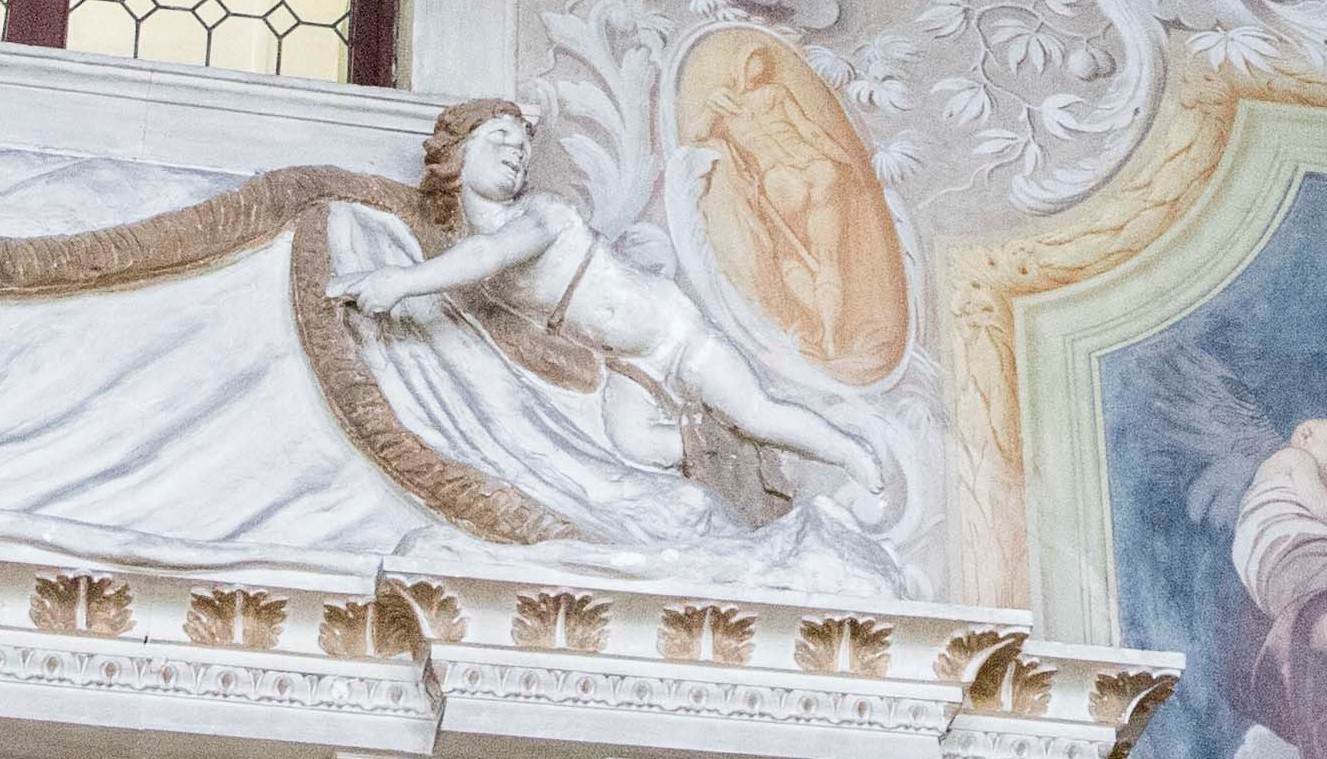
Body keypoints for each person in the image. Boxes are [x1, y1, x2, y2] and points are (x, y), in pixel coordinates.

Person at [327, 99, 885, 495]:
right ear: (458, 153)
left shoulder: (539, 214)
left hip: (673, 333)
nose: (516, 152)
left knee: (756, 412)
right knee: (632, 442)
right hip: (625, 362)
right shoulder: (465, 256)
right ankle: (728, 454)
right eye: (498, 138)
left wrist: (399, 281)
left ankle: (849, 453)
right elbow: (470, 277)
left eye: (522, 146)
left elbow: (487, 255)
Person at [688, 44, 855, 359]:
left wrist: (711, 110)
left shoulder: (728, 110)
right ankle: (832, 336)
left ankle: (824, 332)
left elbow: (697, 135)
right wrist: (848, 161)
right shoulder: (776, 94)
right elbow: (810, 132)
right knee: (827, 256)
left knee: (789, 256)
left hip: (780, 181)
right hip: (818, 166)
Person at [1231, 418, 1327, 759]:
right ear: (1306, 434)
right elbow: (1320, 506)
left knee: (1311, 626)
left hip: (1278, 578)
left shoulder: (1262, 489)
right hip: (1298, 552)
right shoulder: (1295, 458)